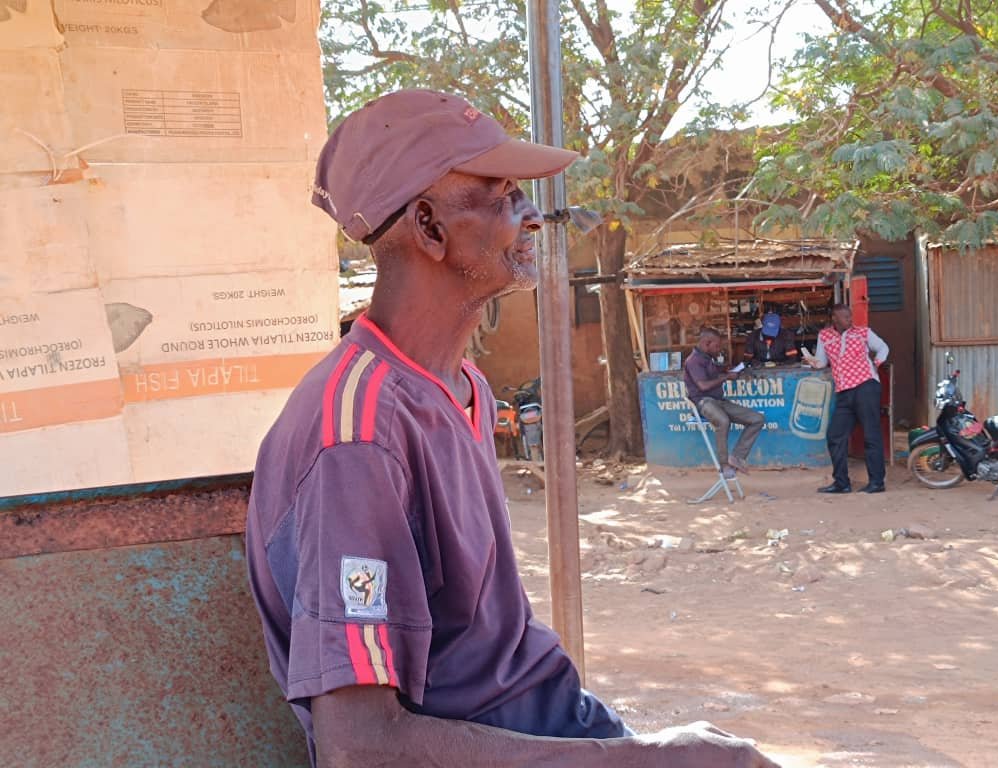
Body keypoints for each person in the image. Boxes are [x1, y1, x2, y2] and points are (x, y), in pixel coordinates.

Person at [246, 90, 780, 768]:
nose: (531, 217)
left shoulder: (460, 387)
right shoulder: (358, 434)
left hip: (551, 724)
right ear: (429, 228)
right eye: (500, 197)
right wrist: (648, 760)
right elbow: (361, 748)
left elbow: (488, 655)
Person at [805, 303, 889, 494]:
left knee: (871, 435)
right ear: (834, 318)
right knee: (835, 436)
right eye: (845, 317)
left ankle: (877, 482)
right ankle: (841, 482)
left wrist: (876, 363)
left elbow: (883, 347)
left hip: (865, 386)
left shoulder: (863, 332)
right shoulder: (824, 336)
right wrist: (812, 361)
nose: (849, 320)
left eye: (850, 316)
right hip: (844, 392)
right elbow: (821, 362)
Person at [684, 327, 766, 477]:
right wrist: (726, 377)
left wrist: (729, 369)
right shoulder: (693, 361)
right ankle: (724, 465)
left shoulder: (707, 358)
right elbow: (703, 386)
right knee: (723, 421)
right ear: (707, 343)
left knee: (757, 419)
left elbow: (716, 371)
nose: (719, 349)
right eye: (716, 346)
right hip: (704, 402)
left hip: (718, 401)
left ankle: (737, 457)